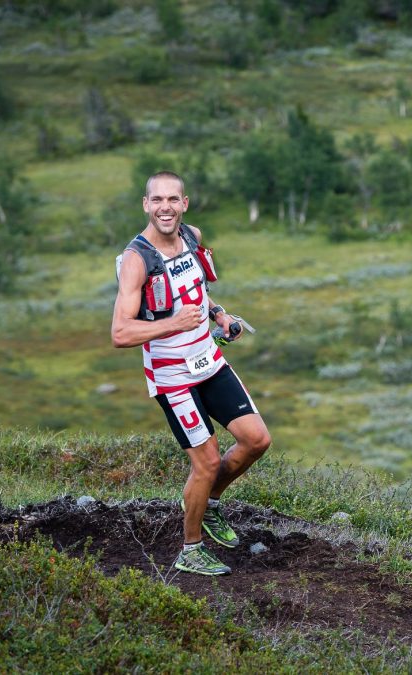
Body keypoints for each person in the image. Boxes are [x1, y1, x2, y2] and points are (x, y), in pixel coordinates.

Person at [111, 171, 271, 576]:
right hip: (172, 376)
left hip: (209, 361)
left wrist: (219, 315)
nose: (166, 207)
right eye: (157, 200)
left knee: (256, 440)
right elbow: (120, 332)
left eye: (173, 199)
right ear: (146, 205)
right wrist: (173, 325)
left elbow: (196, 289)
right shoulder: (137, 259)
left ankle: (209, 502)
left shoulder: (192, 238)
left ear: (184, 204)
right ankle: (191, 548)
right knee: (205, 461)